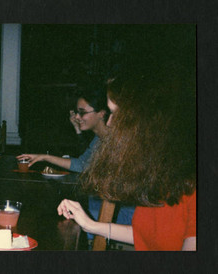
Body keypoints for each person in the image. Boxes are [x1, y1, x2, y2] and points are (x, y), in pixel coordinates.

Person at [57, 66, 196, 251]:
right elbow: (144, 234)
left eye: (116, 113)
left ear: (144, 119)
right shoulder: (156, 174)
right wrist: (89, 224)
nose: (109, 122)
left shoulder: (192, 186)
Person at [17, 84, 135, 243]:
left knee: (57, 217)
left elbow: (85, 167)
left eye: (82, 112)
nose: (77, 117)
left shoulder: (115, 141)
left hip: (122, 213)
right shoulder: (99, 138)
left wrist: (45, 157)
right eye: (77, 112)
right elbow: (81, 164)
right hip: (106, 204)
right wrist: (44, 157)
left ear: (101, 113)